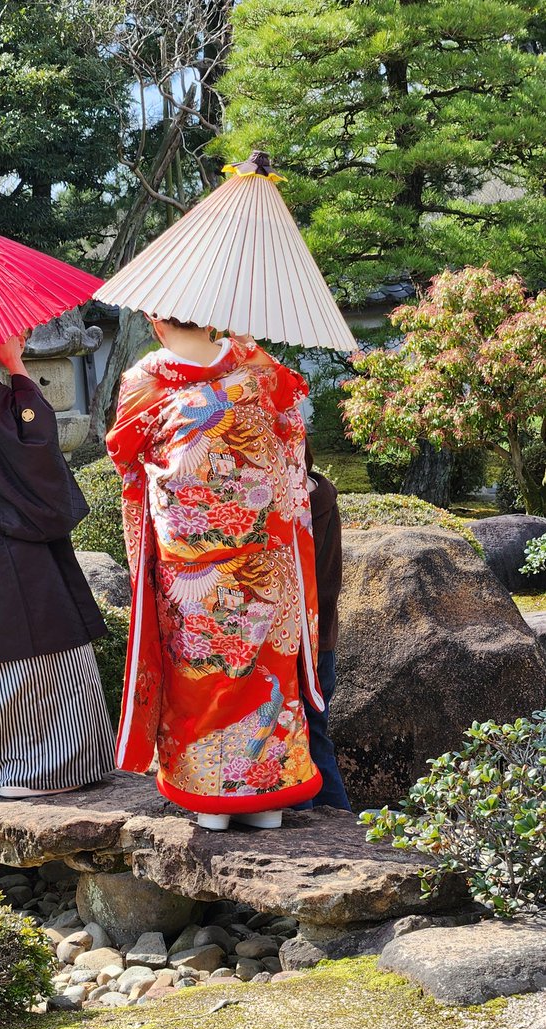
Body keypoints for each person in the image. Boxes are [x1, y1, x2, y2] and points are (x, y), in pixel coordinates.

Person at [106, 317, 324, 831]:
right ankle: (267, 797)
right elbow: (293, 440)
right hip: (263, 556)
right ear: (210, 313)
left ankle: (208, 799)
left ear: (155, 321)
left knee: (200, 672)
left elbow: (130, 465)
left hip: (189, 564)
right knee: (264, 671)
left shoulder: (142, 380)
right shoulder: (256, 364)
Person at [0, 332, 116, 799]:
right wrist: (18, 372)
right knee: (34, 654)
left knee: (7, 658)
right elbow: (35, 446)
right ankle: (38, 772)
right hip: (2, 544)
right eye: (17, 332)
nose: (25, 337)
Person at [301, 445, 351, 810]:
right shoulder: (323, 496)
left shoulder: (286, 505)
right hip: (324, 641)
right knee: (316, 738)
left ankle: (301, 822)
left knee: (293, 740)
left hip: (293, 643)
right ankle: (343, 820)